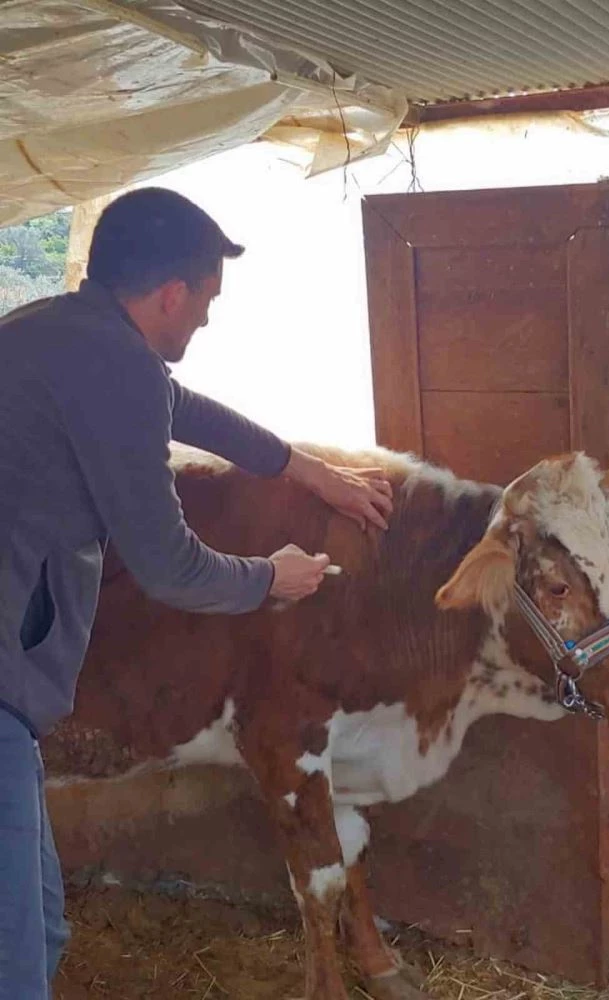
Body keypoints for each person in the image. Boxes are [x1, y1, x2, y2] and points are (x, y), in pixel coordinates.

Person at [0, 186, 393, 998]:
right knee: (21, 960)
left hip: (9, 693)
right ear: (173, 292)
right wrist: (270, 578)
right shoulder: (113, 368)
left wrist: (307, 470)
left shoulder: (52, 333)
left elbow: (185, 410)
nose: (207, 321)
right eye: (208, 300)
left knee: (41, 923)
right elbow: (169, 566)